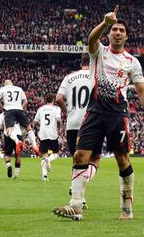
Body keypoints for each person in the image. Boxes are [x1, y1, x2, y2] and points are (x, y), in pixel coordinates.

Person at [53, 5, 144, 221]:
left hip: (117, 115)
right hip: (94, 112)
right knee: (80, 155)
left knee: (122, 159)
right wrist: (105, 22)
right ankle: (75, 205)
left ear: (126, 36)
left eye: (121, 30)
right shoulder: (99, 52)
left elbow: (141, 91)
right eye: (114, 30)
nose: (117, 32)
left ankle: (127, 208)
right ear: (109, 34)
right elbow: (91, 39)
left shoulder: (132, 62)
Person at [56, 53, 96, 208]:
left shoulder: (69, 77)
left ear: (81, 63)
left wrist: (68, 111)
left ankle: (78, 194)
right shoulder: (95, 77)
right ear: (92, 63)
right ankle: (79, 193)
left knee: (76, 159)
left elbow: (59, 98)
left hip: (73, 123)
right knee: (91, 161)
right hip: (91, 122)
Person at [0, 80, 39, 155]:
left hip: (9, 110)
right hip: (19, 110)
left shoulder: (3, 89)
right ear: (12, 83)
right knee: (29, 128)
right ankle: (35, 145)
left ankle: (17, 141)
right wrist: (21, 108)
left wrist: (2, 108)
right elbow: (25, 101)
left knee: (9, 130)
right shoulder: (19, 88)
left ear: (5, 84)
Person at [33, 93, 62, 182]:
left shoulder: (41, 109)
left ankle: (44, 176)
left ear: (46, 100)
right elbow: (58, 118)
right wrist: (60, 127)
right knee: (57, 153)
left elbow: (35, 122)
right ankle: (48, 160)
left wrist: (40, 125)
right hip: (52, 133)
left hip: (43, 133)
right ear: (53, 100)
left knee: (44, 155)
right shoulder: (56, 108)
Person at [0, 112, 24, 179]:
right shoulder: (17, 112)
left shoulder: (3, 114)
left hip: (8, 134)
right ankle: (16, 175)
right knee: (17, 155)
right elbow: (23, 124)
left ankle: (8, 165)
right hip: (18, 134)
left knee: (7, 154)